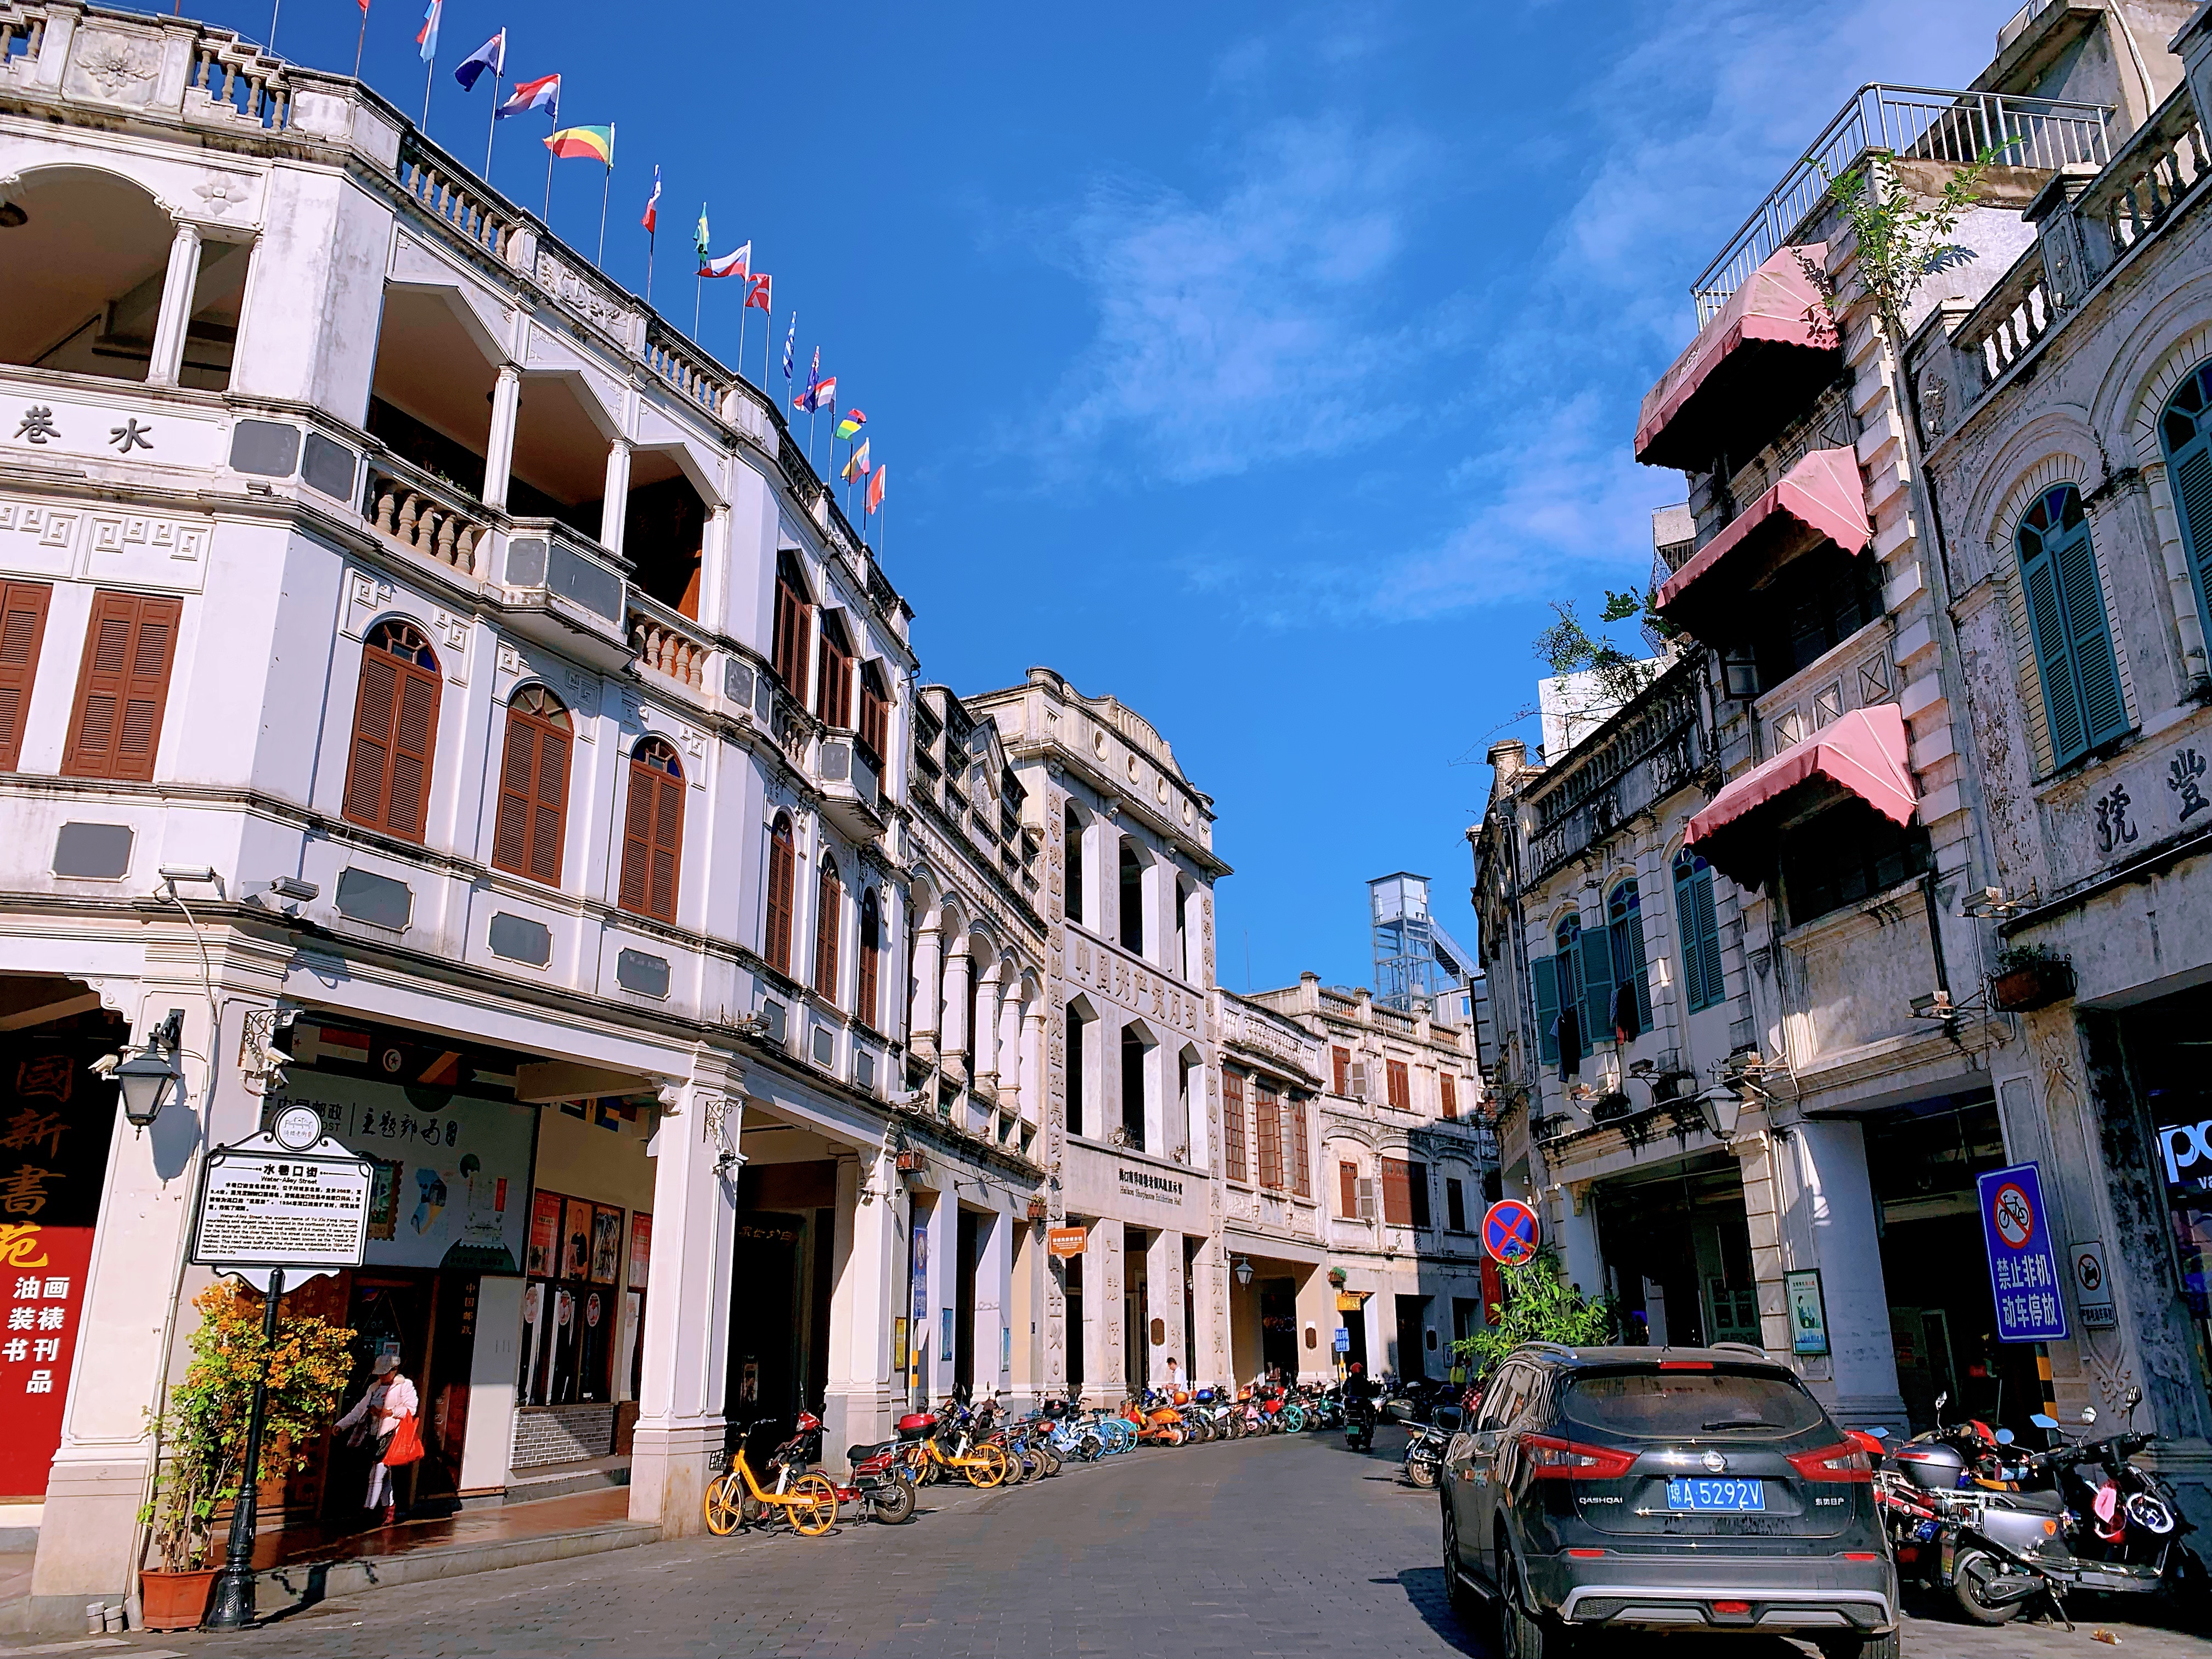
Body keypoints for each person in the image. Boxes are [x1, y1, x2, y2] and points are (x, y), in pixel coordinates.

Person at [334, 1352, 419, 1526]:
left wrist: (391, 1412)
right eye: (380, 1373)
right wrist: (342, 1425)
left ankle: (369, 1509)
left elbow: (411, 1409)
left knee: (378, 1472)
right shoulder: (374, 1388)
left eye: (386, 1372)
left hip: (391, 1435)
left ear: (395, 1370)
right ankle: (390, 1510)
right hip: (374, 1434)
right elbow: (359, 1409)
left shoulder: (405, 1386)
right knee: (383, 1475)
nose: (382, 1376)